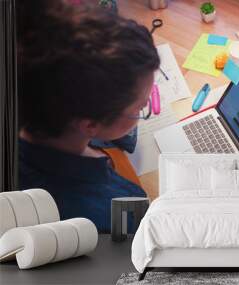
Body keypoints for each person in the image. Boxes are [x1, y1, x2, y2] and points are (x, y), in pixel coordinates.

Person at [17, 0, 160, 232]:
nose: (143, 108)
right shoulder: (116, 213)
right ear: (90, 124)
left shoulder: (41, 102)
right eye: (139, 108)